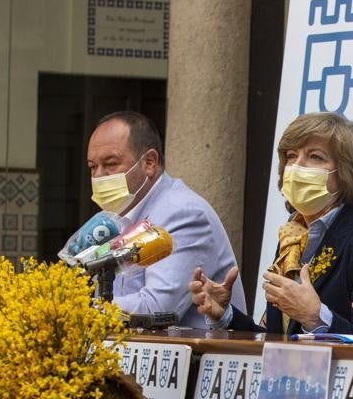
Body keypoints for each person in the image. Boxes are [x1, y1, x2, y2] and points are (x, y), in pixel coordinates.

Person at [190, 111, 353, 335]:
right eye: (290, 156)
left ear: (347, 173)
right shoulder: (292, 239)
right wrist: (225, 314)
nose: (297, 167)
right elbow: (279, 340)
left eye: (315, 157)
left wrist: (315, 317)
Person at [84, 111, 244, 326]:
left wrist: (76, 309)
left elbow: (156, 308)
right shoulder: (110, 219)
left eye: (111, 164)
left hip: (192, 355)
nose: (99, 176)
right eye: (93, 167)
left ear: (149, 162)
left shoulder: (183, 213)